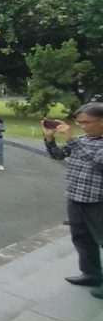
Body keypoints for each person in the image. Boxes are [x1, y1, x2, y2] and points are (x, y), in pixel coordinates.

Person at [44, 103, 103, 299]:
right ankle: (91, 273)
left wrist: (71, 138)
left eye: (87, 122)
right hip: (75, 196)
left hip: (97, 200)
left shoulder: (83, 141)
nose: (83, 126)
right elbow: (57, 155)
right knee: (81, 238)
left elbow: (97, 163)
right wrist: (49, 138)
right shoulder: (82, 140)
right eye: (80, 123)